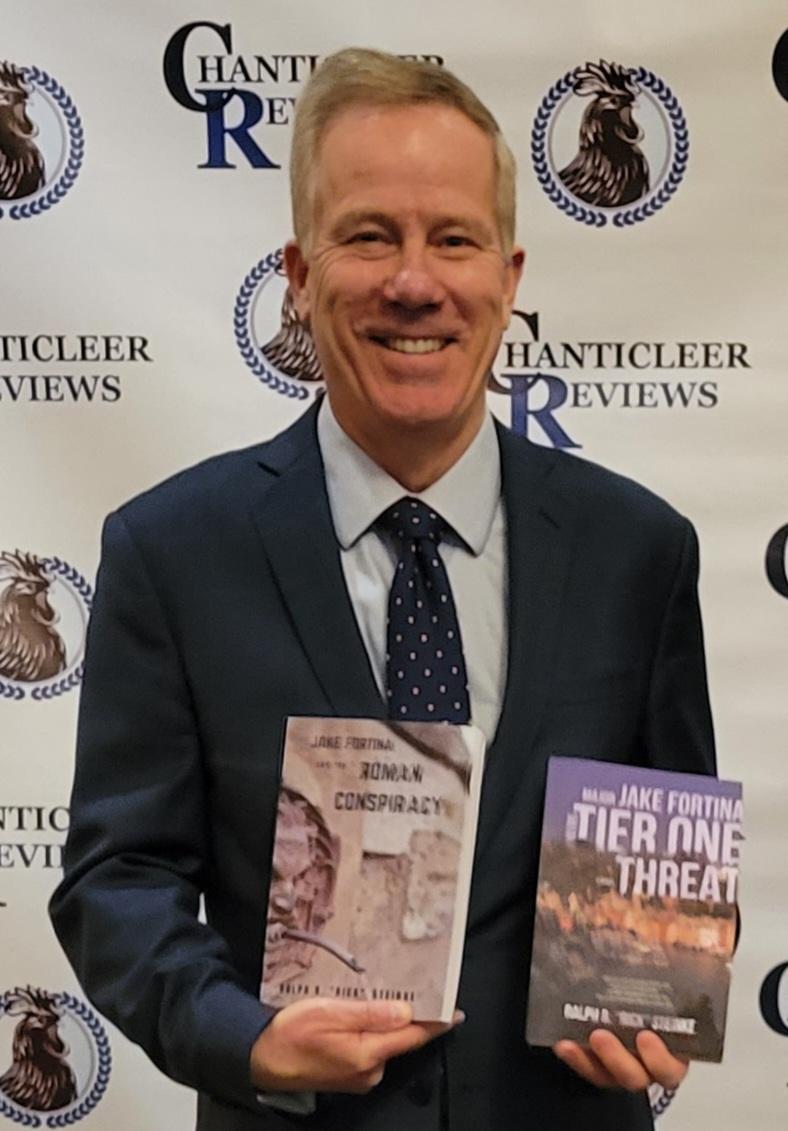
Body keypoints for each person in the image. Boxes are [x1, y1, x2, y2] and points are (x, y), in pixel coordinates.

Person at [49, 48, 716, 1131]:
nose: (414, 282)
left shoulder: (637, 551)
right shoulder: (172, 551)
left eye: (453, 239)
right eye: (368, 236)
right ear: (299, 275)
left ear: (508, 275)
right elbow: (117, 880)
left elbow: (669, 861)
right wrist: (244, 1036)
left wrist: (666, 987)